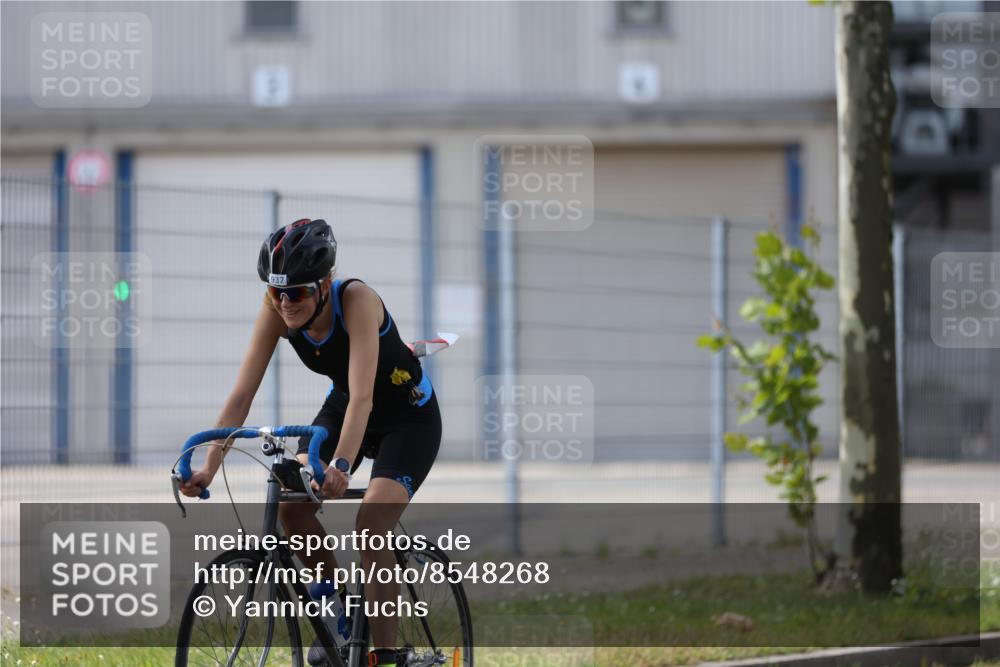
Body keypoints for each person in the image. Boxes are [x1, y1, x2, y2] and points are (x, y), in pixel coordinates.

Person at [180, 217, 441, 667]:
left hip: (405, 417)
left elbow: (365, 396)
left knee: (371, 523)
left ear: (324, 285)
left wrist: (339, 464)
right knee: (291, 502)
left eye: (297, 292)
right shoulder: (278, 307)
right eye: (275, 292)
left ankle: (388, 654)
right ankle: (336, 615)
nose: (284, 303)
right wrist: (207, 468)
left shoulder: (357, 299)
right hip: (344, 408)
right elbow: (242, 395)